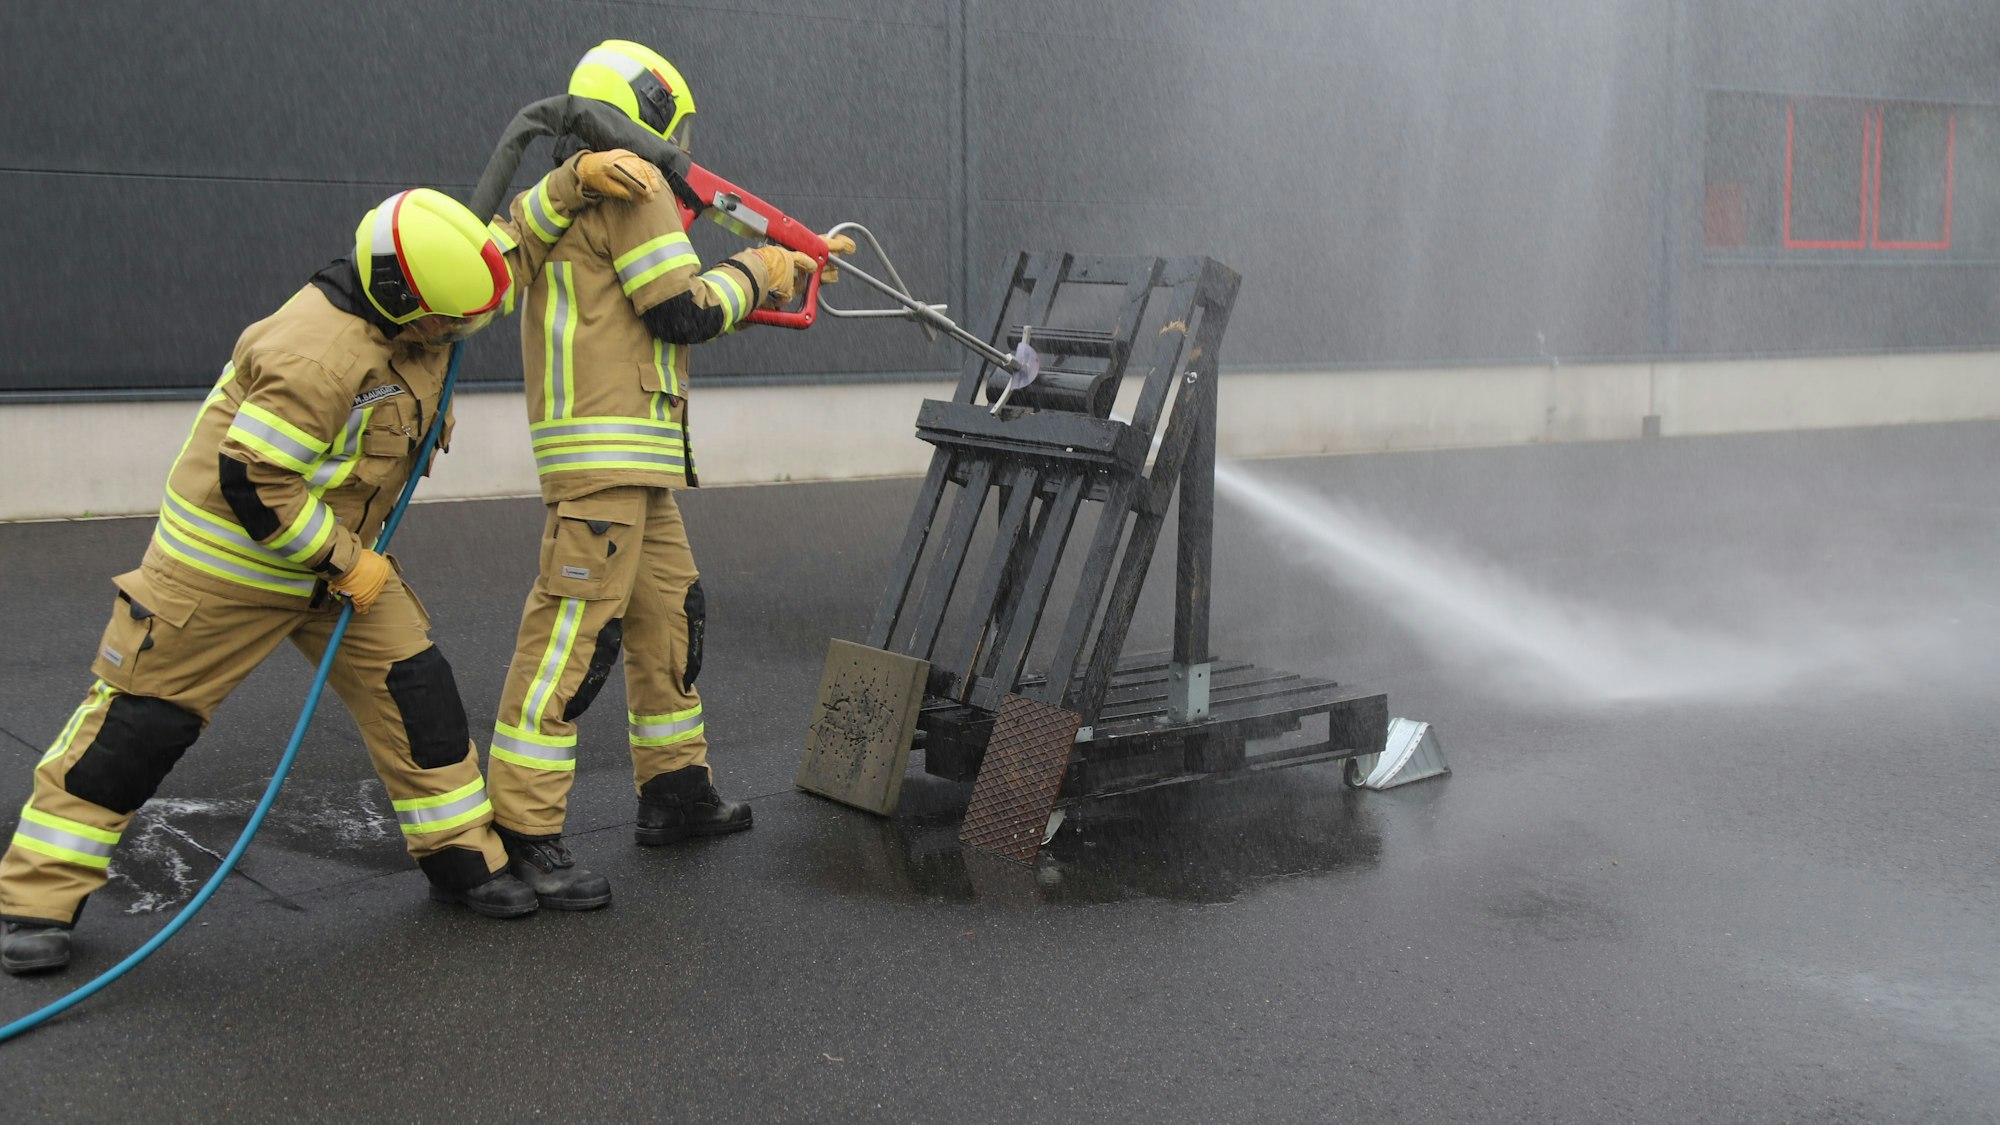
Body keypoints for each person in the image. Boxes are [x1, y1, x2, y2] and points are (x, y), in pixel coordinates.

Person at [0, 148, 665, 974]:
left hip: (341, 570)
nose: (457, 338)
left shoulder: (425, 292)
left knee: (419, 695)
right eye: (446, 326)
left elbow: (503, 249)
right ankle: (33, 900)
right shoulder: (315, 354)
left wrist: (570, 182)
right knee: (135, 729)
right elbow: (254, 482)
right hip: (224, 574)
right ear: (400, 301)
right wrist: (345, 563)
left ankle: (462, 857)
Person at [483, 39, 850, 909]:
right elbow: (681, 311)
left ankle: (675, 791)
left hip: (629, 461)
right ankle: (523, 829)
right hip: (609, 457)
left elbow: (537, 269)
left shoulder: (570, 194)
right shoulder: (635, 185)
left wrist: (776, 268)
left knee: (667, 619)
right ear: (649, 113)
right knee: (571, 642)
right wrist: (763, 268)